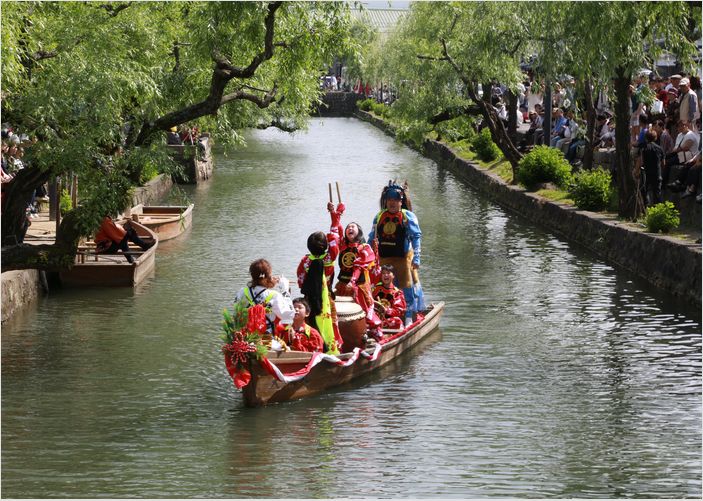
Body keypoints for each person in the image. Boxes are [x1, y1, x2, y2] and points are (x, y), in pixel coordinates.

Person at [368, 182, 422, 326]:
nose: (392, 202)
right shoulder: (379, 216)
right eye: (389, 199)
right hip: (384, 258)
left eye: (395, 199)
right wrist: (367, 257)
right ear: (385, 200)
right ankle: (380, 317)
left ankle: (409, 317)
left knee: (406, 288)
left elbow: (416, 238)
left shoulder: (407, 217)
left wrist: (417, 257)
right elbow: (371, 238)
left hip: (402, 259)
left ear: (401, 201)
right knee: (380, 289)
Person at [328, 201, 382, 337]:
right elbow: (335, 232)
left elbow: (360, 265)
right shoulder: (343, 245)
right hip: (342, 285)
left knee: (364, 309)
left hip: (359, 286)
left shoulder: (365, 248)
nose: (349, 228)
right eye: (348, 227)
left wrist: (353, 281)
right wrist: (334, 214)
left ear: (359, 232)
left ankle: (372, 330)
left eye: (353, 227)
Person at [297, 230, 342, 354]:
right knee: (332, 323)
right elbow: (335, 242)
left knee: (311, 322)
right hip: (327, 297)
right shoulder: (329, 257)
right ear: (325, 246)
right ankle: (333, 348)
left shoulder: (305, 260)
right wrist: (331, 233)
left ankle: (312, 347)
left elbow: (300, 278)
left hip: (309, 297)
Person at [233, 258, 295, 336]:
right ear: (268, 276)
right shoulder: (274, 295)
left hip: (246, 336)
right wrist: (285, 291)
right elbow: (288, 316)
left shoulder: (242, 292)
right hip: (266, 338)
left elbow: (236, 313)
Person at [372, 264, 407, 331]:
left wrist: (386, 310)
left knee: (397, 321)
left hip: (389, 320)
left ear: (393, 276)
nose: (385, 275)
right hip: (375, 318)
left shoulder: (397, 292)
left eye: (388, 273)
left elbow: (399, 311)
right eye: (383, 273)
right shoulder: (375, 288)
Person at [640, 130, 664, 206]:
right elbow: (663, 163)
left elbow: (641, 161)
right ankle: (658, 211)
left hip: (646, 173)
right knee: (657, 193)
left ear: (646, 138)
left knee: (644, 191)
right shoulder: (660, 149)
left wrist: (637, 170)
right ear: (656, 138)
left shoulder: (644, 148)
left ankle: (646, 208)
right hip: (657, 173)